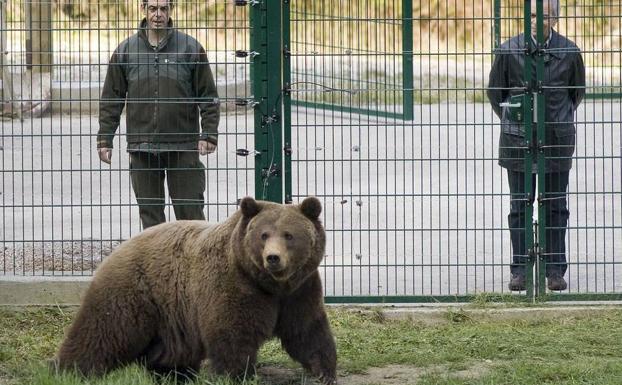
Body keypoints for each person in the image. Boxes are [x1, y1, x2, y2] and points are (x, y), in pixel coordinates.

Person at [487, 0, 585, 291]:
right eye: (531, 15)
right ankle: (520, 270)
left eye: (542, 17)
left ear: (554, 20)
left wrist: (556, 118)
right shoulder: (508, 51)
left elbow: (575, 94)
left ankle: (554, 270)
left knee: (555, 205)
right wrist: (515, 122)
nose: (535, 21)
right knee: (520, 205)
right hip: (517, 140)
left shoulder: (569, 52)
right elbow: (496, 94)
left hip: (556, 139)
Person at [97, 0, 220, 229]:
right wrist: (105, 139)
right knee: (151, 221)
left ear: (170, 11)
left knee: (191, 218)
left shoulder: (190, 48)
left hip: (183, 146)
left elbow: (208, 96)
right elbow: (111, 100)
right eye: (153, 8)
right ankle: (159, 265)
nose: (158, 14)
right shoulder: (126, 51)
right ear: (143, 9)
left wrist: (209, 134)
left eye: (164, 8)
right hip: (142, 146)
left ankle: (193, 265)